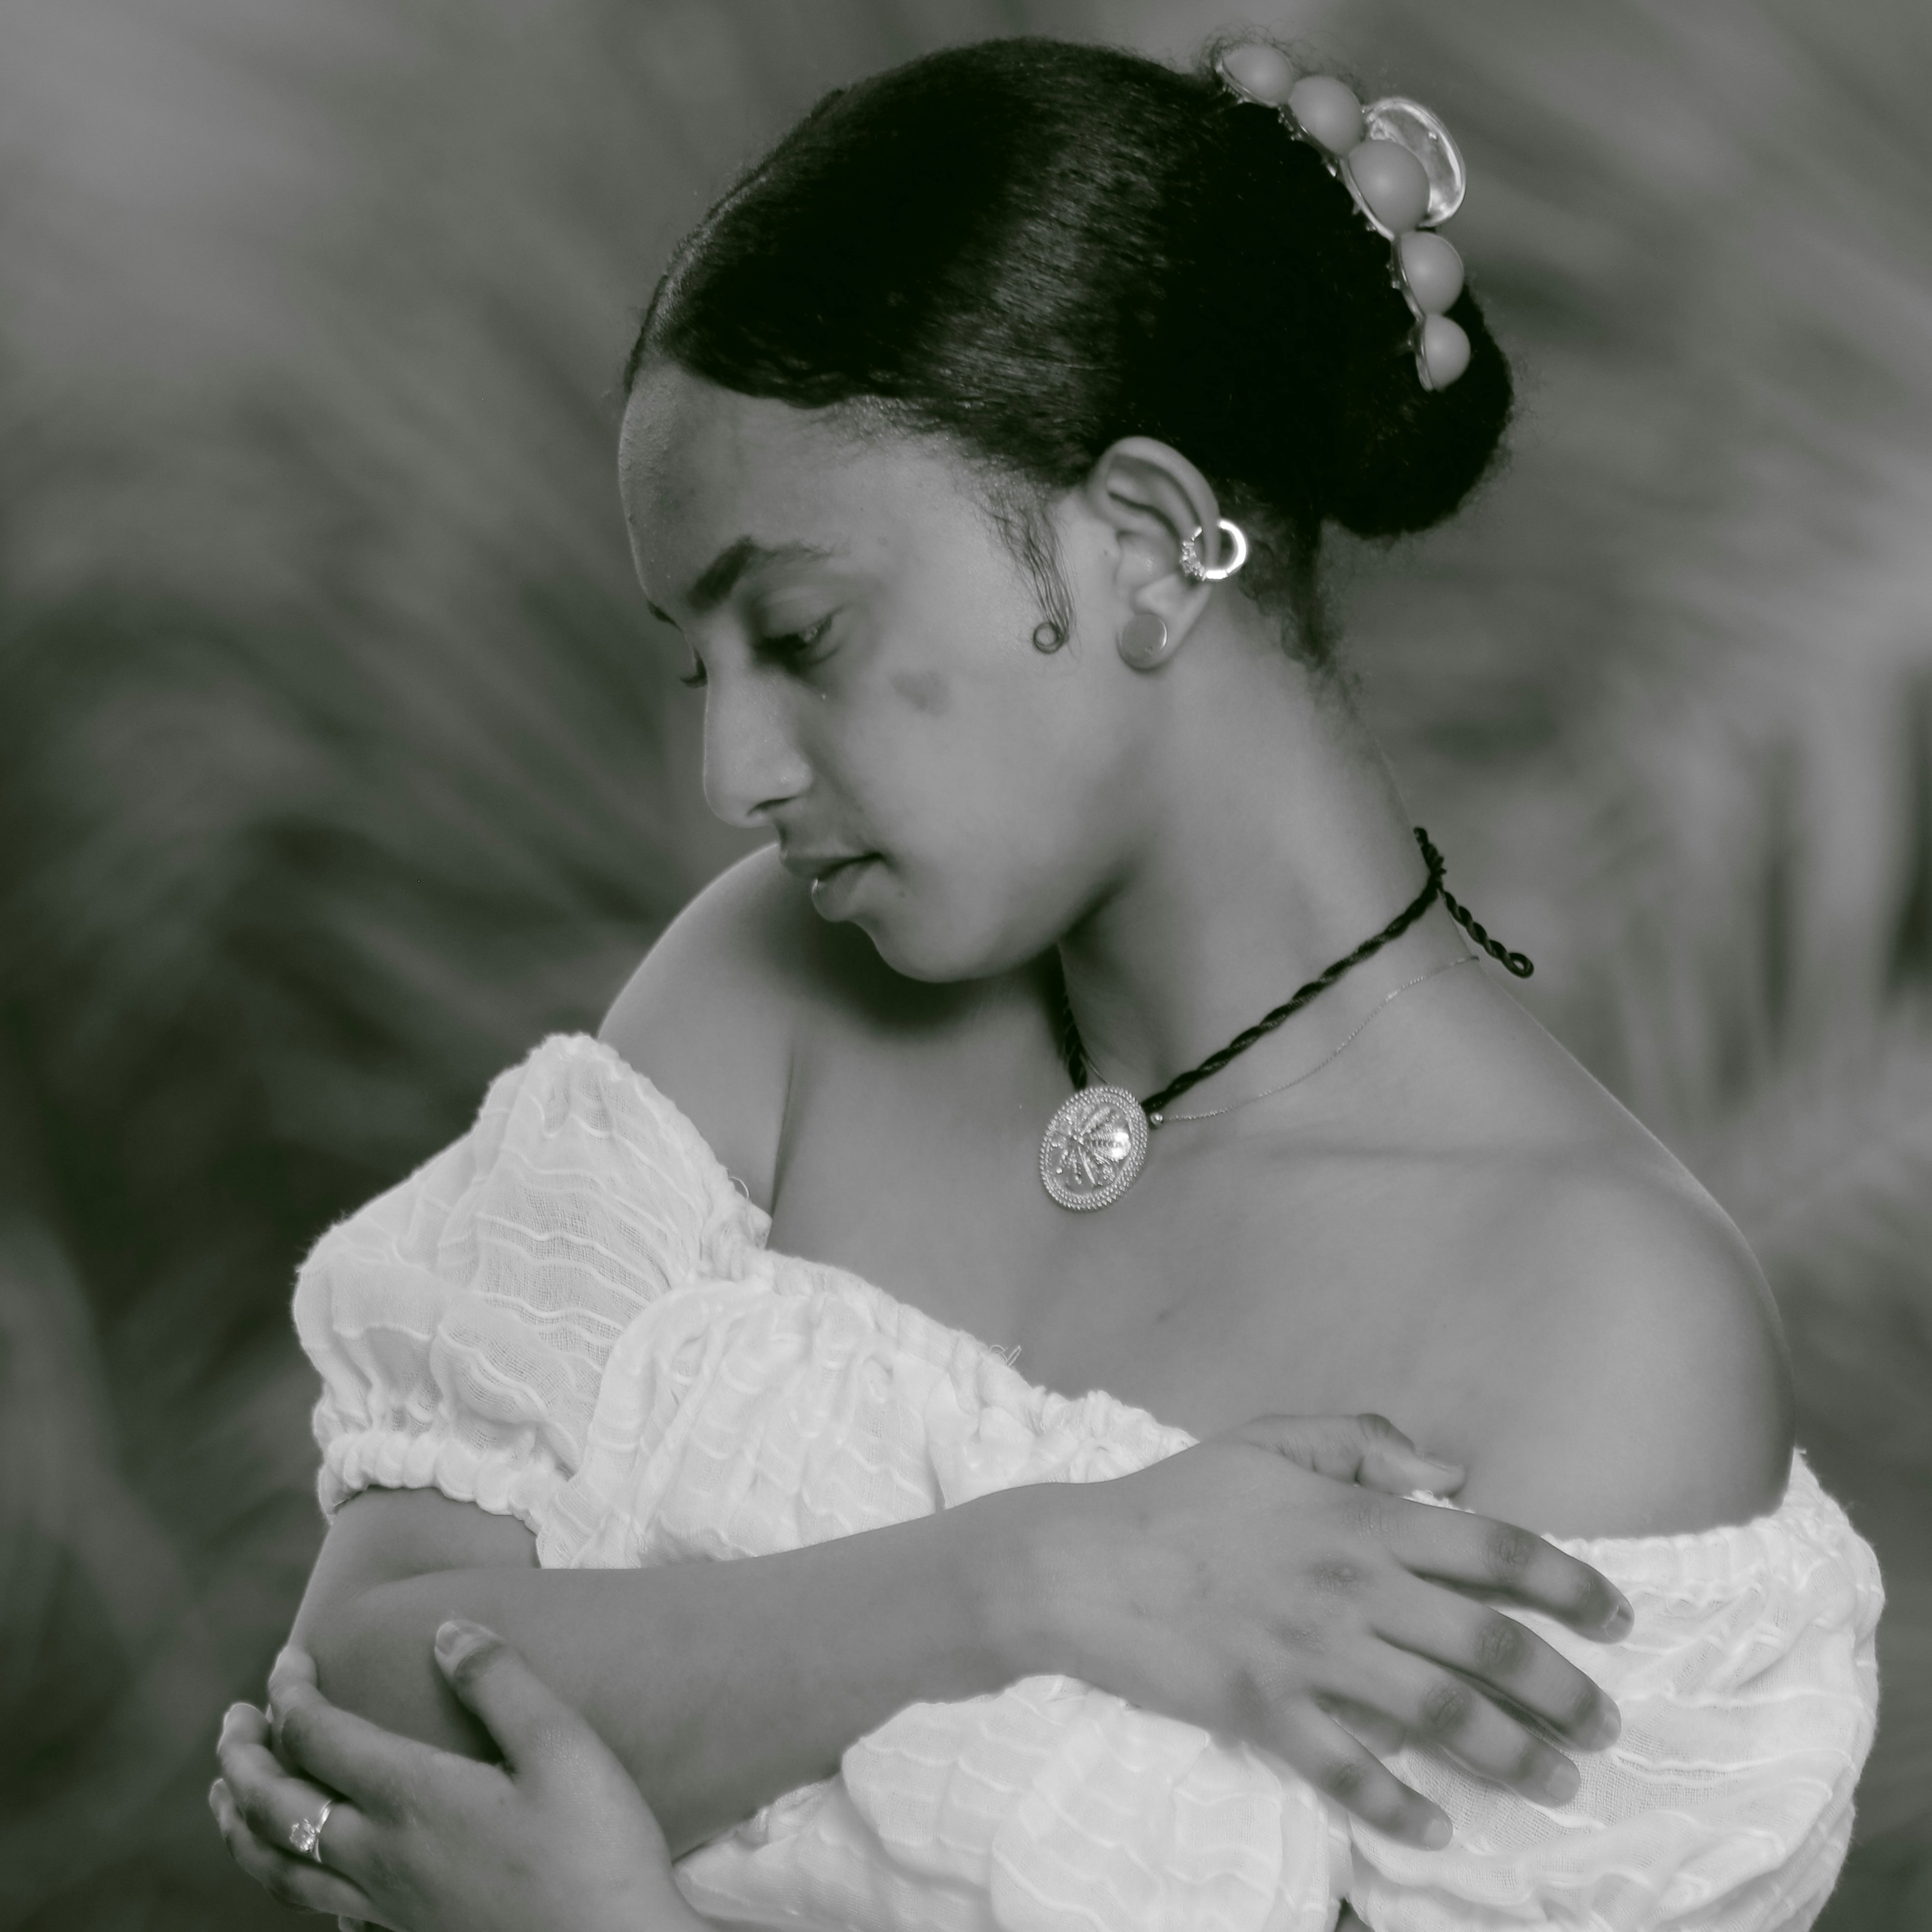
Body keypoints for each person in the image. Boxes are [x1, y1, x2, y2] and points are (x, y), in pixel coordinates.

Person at [213, 34, 1880, 1932]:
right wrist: (1041, 1577)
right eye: (702, 665)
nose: (733, 772)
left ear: (1152, 549)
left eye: (804, 632)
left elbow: (446, 1769)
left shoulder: (1597, 1320)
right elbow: (355, 1700)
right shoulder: (769, 996)